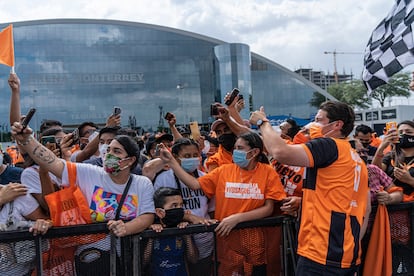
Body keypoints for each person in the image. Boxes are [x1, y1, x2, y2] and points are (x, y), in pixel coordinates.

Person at [10, 123, 155, 274]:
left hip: (127, 260)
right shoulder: (89, 173)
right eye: (108, 149)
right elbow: (51, 162)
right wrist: (27, 140)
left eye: (116, 151)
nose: (109, 154)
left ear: (130, 160)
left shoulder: (141, 183)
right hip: (90, 260)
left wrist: (126, 228)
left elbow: (147, 215)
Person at [250, 101, 369, 274]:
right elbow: (354, 203)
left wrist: (263, 123)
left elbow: (280, 152)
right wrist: (304, 201)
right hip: (346, 249)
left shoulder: (329, 145)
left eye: (319, 119)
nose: (312, 124)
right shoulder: (355, 158)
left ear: (337, 125)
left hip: (321, 250)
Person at [159, 132, 286, 275]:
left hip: (255, 242)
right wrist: (172, 162)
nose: (235, 152)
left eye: (240, 148)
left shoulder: (268, 172)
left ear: (255, 152)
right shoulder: (224, 170)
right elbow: (194, 184)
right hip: (227, 242)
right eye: (235, 148)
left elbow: (268, 209)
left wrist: (237, 218)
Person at [153, 138, 214, 275]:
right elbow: (158, 208)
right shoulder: (163, 179)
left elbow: (212, 208)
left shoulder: (205, 177)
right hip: (175, 238)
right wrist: (188, 217)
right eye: (186, 156)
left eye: (195, 155)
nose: (192, 159)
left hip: (203, 238)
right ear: (175, 157)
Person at [144, 187, 198, 276]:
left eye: (181, 205)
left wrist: (186, 234)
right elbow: (143, 261)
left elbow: (193, 259)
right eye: (174, 206)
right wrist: (151, 235)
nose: (179, 209)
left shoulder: (183, 227)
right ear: (160, 212)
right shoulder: (150, 228)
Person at [0, 183, 52, 275]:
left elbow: (48, 220)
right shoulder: (4, 195)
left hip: (26, 271)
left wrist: (44, 224)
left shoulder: (15, 193)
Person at [372, 120, 414, 201]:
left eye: (408, 132)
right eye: (400, 132)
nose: (404, 134)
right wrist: (381, 148)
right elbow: (375, 172)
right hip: (392, 204)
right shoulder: (390, 156)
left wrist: (409, 180)